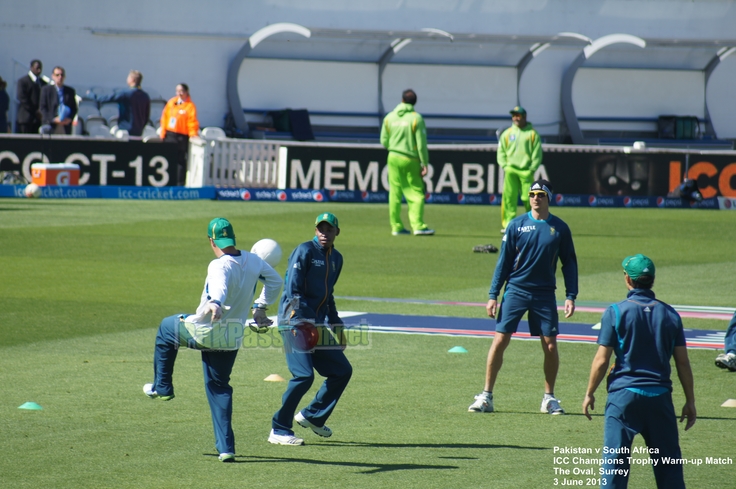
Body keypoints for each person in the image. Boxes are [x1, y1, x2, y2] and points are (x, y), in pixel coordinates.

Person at [143, 217, 282, 462]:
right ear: (233, 238)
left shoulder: (219, 265)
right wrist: (260, 307)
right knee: (219, 388)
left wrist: (216, 303)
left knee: (166, 328)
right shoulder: (254, 260)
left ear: (211, 240)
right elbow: (276, 281)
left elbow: (219, 285)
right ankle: (226, 448)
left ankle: (161, 387)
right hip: (231, 338)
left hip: (205, 332)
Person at [583, 254, 696, 489]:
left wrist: (589, 392)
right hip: (660, 399)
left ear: (628, 279)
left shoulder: (615, 312)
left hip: (623, 398)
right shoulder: (671, 314)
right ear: (652, 280)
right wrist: (690, 401)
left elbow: (602, 359)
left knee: (615, 466)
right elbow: (683, 363)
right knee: (669, 466)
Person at [468, 179, 577, 415]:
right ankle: (486, 396)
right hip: (516, 290)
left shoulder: (560, 228)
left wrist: (571, 295)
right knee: (500, 341)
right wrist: (493, 295)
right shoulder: (516, 225)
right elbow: (504, 262)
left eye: (540, 194)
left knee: (549, 344)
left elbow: (569, 263)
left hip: (545, 293)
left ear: (549, 198)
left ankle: (549, 398)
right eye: (532, 194)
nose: (535, 197)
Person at [269, 212, 353, 446]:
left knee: (342, 370)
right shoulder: (304, 251)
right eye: (320, 229)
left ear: (337, 232)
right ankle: (279, 428)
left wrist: (337, 325)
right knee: (304, 375)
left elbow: (329, 295)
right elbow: (293, 288)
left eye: (329, 229)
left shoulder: (336, 258)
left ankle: (312, 416)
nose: (324, 233)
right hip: (294, 321)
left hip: (315, 324)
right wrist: (303, 319)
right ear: (315, 230)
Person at [380, 89, 434, 236]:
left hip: (393, 157)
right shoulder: (416, 118)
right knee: (416, 192)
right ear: (414, 103)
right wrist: (424, 163)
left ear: (402, 100)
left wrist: (394, 148)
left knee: (395, 193)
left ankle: (396, 227)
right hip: (410, 159)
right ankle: (418, 226)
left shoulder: (389, 117)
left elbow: (383, 141)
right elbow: (421, 144)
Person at [497, 106, 542, 234]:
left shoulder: (532, 133)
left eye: (518, 115)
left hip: (526, 171)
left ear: (524, 117)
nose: (516, 118)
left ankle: (534, 223)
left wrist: (532, 168)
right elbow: (501, 151)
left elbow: (537, 153)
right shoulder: (507, 133)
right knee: (509, 198)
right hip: (511, 169)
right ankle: (508, 225)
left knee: (529, 198)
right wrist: (505, 166)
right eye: (514, 115)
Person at [160, 83, 199, 185]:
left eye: (182, 91)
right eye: (178, 91)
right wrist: (163, 133)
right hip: (170, 134)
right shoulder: (172, 102)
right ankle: (166, 181)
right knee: (168, 158)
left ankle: (180, 183)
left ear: (186, 92)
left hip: (182, 136)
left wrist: (193, 134)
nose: (180, 93)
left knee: (180, 160)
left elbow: (192, 122)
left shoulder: (190, 106)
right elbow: (165, 118)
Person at [90, 70, 150, 136]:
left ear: (132, 79)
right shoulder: (145, 96)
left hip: (126, 130)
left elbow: (108, 98)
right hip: (139, 131)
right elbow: (147, 115)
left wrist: (92, 95)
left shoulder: (126, 93)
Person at [39, 66, 77, 135]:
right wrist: (54, 119)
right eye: (57, 75)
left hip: (65, 126)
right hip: (50, 125)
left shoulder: (70, 91)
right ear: (53, 76)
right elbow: (43, 108)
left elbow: (74, 108)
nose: (60, 77)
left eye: (62, 75)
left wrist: (69, 119)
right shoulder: (46, 90)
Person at [15, 59, 47, 134]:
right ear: (31, 68)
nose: (39, 70)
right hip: (26, 119)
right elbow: (22, 98)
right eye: (37, 68)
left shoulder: (43, 83)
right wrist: (35, 111)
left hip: (37, 120)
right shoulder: (23, 81)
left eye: (40, 68)